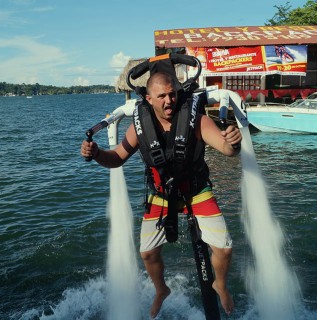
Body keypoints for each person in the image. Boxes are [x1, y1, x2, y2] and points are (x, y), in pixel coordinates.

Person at [80, 72, 241, 318]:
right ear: (149, 98)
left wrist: (233, 142)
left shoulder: (197, 121)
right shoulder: (140, 127)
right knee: (147, 253)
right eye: (162, 96)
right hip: (162, 196)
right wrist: (97, 153)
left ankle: (220, 284)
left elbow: (226, 149)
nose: (169, 101)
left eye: (172, 94)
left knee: (225, 248)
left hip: (196, 192)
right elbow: (116, 159)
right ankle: (161, 289)